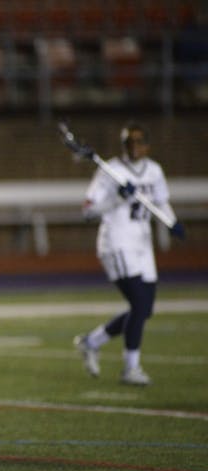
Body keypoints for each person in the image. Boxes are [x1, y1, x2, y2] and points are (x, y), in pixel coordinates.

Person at [74, 122, 185, 386]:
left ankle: (92, 341)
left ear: (147, 145)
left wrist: (172, 222)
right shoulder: (110, 171)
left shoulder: (154, 171)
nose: (133, 147)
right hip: (117, 242)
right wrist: (118, 199)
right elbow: (88, 210)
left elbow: (161, 202)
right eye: (128, 142)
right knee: (138, 304)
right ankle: (131, 368)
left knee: (144, 310)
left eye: (138, 142)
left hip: (142, 244)